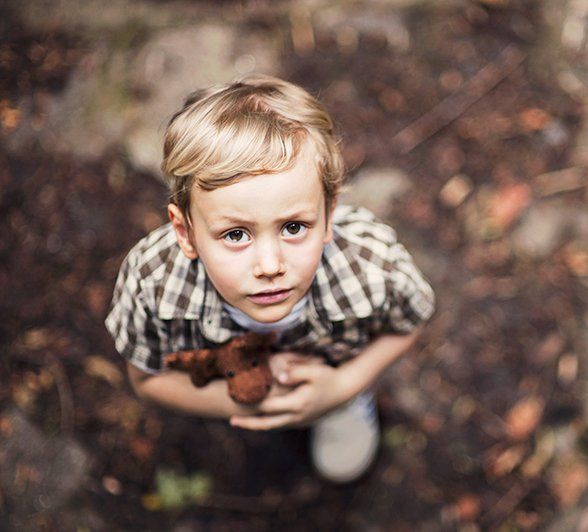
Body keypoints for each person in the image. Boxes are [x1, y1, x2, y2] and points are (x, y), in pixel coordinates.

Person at [105, 75, 435, 483]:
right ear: (186, 232)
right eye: (236, 234)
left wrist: (343, 386)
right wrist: (239, 404)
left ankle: (344, 411)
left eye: (294, 227)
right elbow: (147, 378)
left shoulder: (371, 264)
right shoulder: (153, 285)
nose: (269, 265)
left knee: (341, 461)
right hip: (232, 388)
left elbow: (411, 321)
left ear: (329, 214)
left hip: (335, 375)